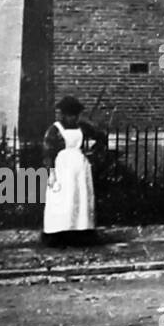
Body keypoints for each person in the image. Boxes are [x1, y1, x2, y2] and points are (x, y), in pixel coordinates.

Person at [42, 96, 102, 247]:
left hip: (80, 170)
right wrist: (51, 173)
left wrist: (93, 153)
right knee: (63, 200)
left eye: (76, 115)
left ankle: (81, 232)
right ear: (63, 114)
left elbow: (101, 137)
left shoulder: (82, 127)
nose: (73, 118)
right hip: (63, 169)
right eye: (70, 114)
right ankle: (59, 235)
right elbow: (48, 152)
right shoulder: (55, 129)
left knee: (80, 199)